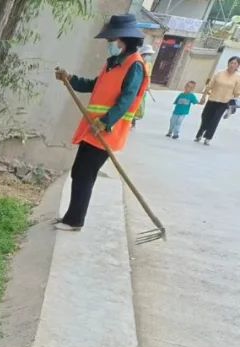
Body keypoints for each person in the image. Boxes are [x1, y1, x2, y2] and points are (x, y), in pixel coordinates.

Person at [54, 14, 149, 232]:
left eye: (112, 40)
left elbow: (127, 99)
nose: (110, 44)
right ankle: (72, 217)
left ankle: (75, 220)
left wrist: (106, 122)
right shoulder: (113, 63)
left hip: (107, 130)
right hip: (94, 129)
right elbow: (95, 86)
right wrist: (70, 79)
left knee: (84, 174)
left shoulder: (134, 66)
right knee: (79, 173)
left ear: (123, 39)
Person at [195, 56, 240, 145]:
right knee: (205, 117)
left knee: (215, 119)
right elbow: (209, 86)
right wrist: (203, 97)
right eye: (231, 62)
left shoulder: (238, 77)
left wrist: (233, 103)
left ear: (238, 66)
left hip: (224, 102)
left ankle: (208, 138)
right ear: (228, 63)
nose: (232, 65)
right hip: (212, 99)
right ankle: (200, 133)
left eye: (235, 63)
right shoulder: (219, 73)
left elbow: (237, 92)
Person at [132, 44, 155, 128]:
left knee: (139, 107)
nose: (148, 57)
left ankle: (133, 120)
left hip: (143, 89)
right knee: (133, 104)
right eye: (146, 54)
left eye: (149, 55)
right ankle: (131, 120)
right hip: (136, 88)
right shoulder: (137, 63)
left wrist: (148, 85)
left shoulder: (149, 65)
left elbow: (148, 76)